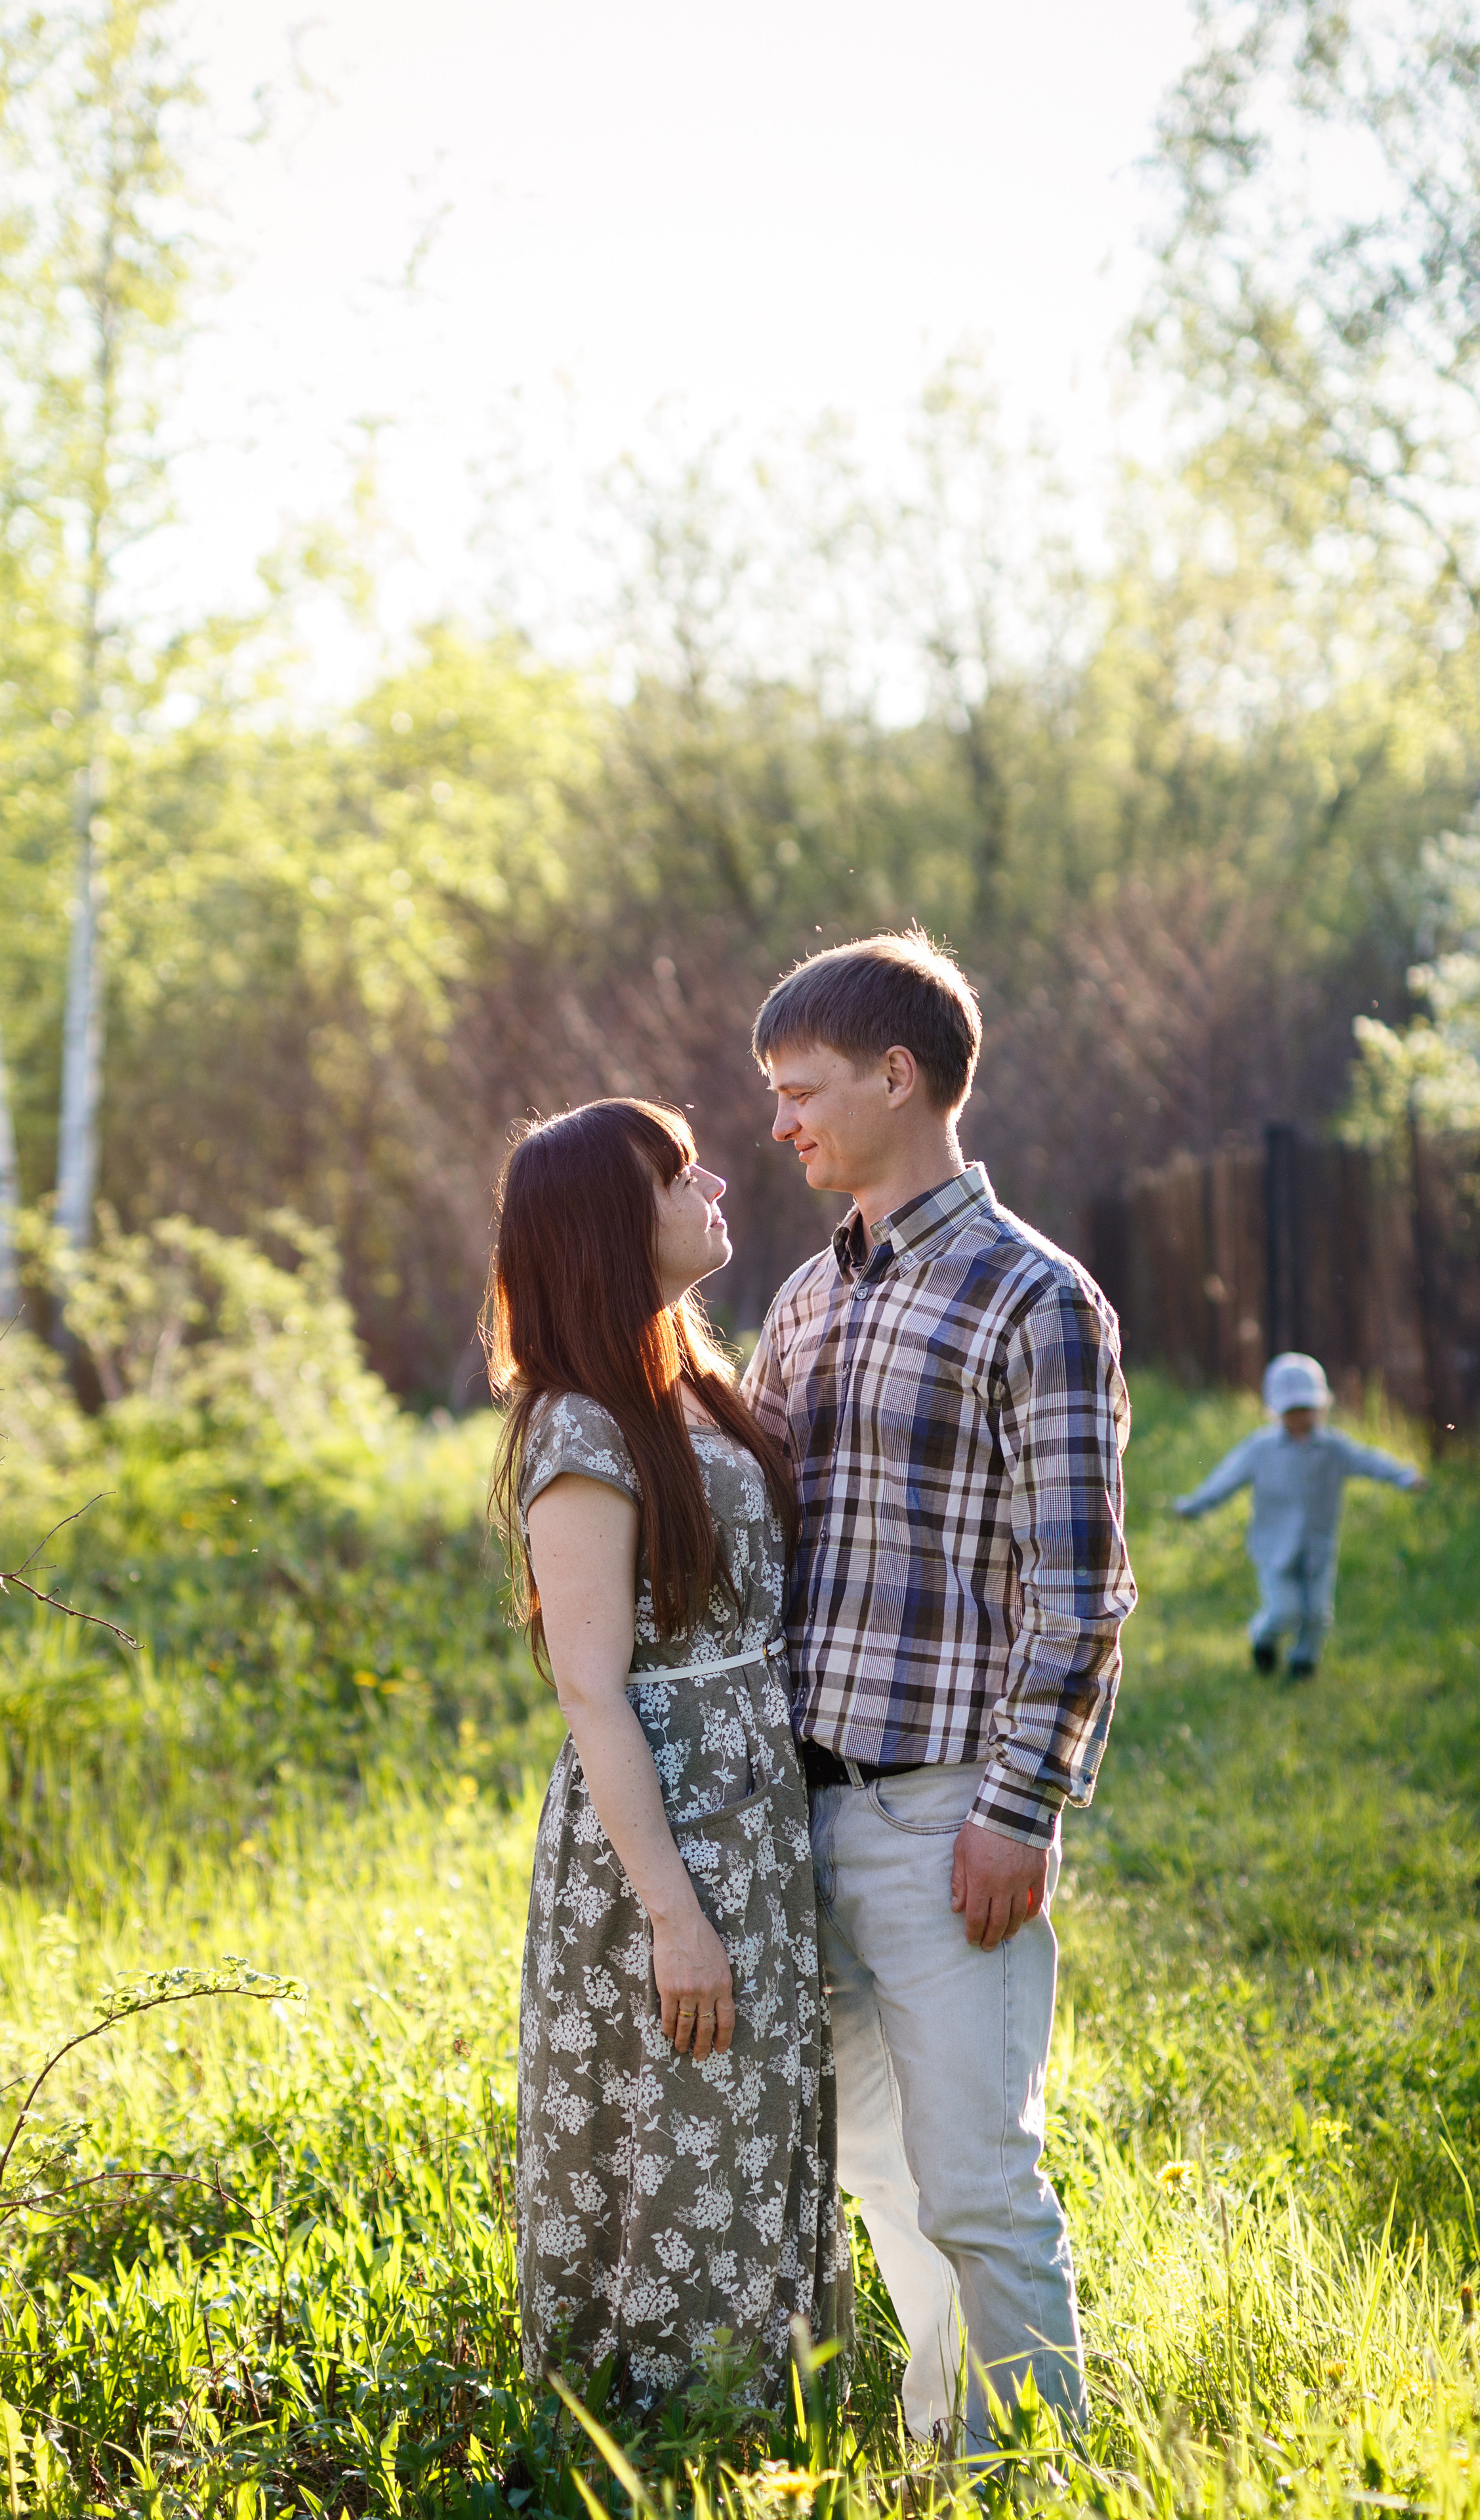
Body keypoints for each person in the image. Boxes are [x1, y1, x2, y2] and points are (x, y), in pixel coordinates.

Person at [741, 931, 1134, 2456]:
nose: (782, 1121)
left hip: (941, 1822)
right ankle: (939, 2440)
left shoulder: (1032, 1297)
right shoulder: (800, 1300)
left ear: (896, 1075)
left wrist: (1015, 1809)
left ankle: (1033, 2472)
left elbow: (1076, 1587)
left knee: (975, 2177)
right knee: (882, 2176)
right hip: (804, 1815)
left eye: (801, 1088)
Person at [485, 1097, 852, 2414]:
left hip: (749, 1818)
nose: (710, 1185)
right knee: (672, 2129)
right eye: (671, 1173)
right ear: (604, 1223)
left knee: (751, 2120)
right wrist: (672, 1917)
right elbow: (590, 1690)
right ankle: (654, 2433)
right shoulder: (581, 1429)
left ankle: (771, 2413)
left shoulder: (696, 1385)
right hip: (664, 1839)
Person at [1172, 1350, 1427, 1679]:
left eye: (1306, 1409)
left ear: (1320, 1407)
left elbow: (1369, 1461)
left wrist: (1404, 1477)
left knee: (1318, 1614)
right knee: (1283, 1610)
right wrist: (1194, 1506)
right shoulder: (1261, 1449)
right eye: (1292, 1410)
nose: (1300, 1417)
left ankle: (1303, 1663)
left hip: (1318, 1546)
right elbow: (1226, 1479)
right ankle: (1262, 1639)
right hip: (1274, 1546)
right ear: (1277, 1411)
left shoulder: (1334, 1448)